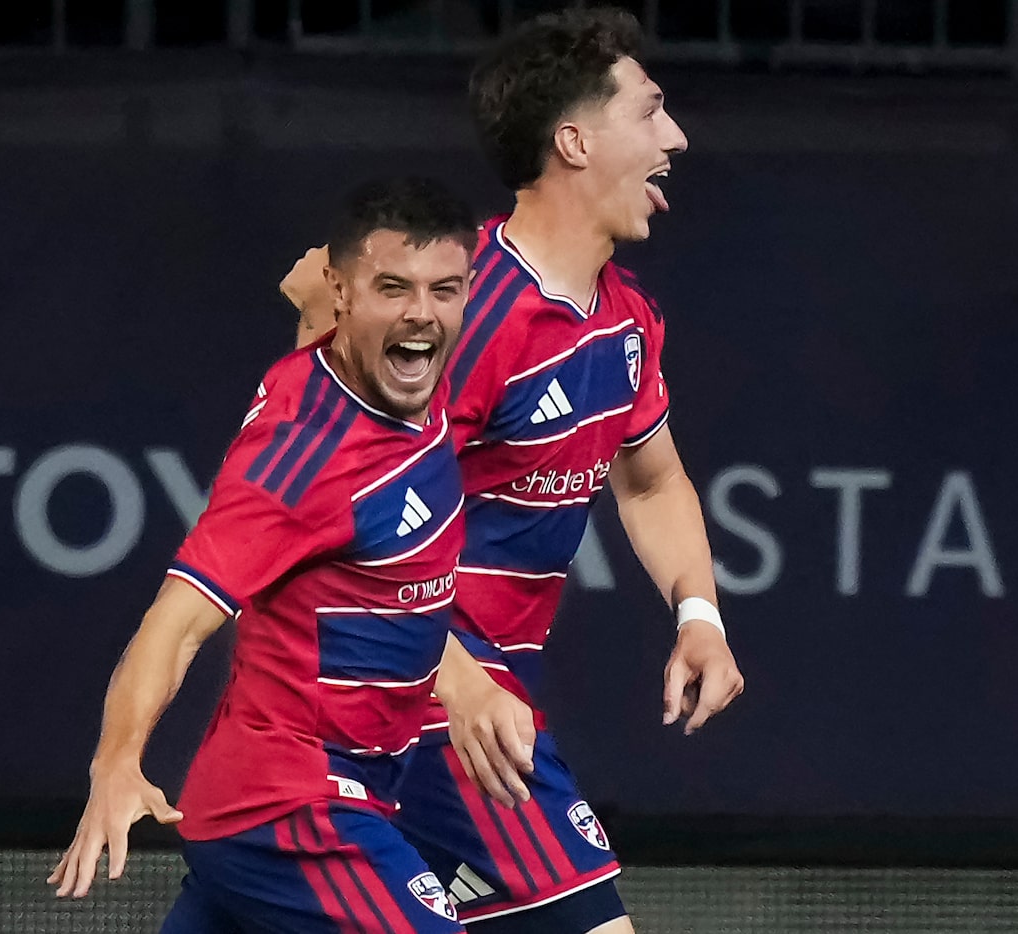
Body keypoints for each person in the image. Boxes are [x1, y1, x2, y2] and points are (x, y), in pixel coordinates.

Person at [279, 10, 744, 933]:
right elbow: (337, 505)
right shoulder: (464, 311)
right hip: (411, 685)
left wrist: (699, 615)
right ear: (574, 141)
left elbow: (651, 482)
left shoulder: (626, 322)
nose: (675, 138)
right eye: (649, 111)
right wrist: (454, 678)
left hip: (466, 690)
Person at [49, 176, 478, 934]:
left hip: (319, 797)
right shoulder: (299, 462)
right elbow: (176, 623)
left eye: (443, 290)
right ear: (346, 294)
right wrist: (116, 760)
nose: (421, 312)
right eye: (392, 288)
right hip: (290, 810)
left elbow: (310, 279)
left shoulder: (397, 365)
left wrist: (318, 293)